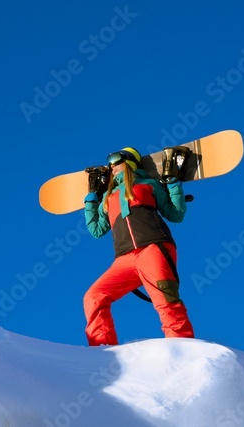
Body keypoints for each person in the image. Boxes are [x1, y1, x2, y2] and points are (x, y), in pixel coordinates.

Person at [82, 147, 195, 345]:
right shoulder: (108, 198)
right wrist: (92, 197)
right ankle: (101, 351)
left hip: (153, 248)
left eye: (116, 160)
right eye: (110, 163)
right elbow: (96, 230)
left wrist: (172, 181)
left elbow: (176, 214)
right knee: (94, 296)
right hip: (124, 259)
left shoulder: (149, 185)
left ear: (130, 162)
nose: (112, 166)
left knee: (165, 300)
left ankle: (183, 348)